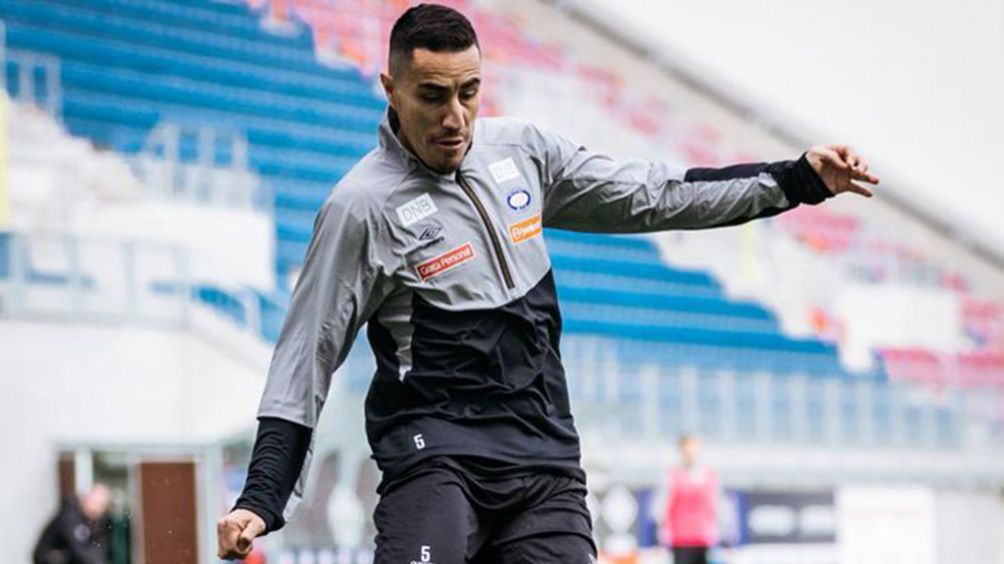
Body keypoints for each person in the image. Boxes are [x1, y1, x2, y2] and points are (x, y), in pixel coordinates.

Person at [217, 4, 880, 562]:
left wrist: (796, 180)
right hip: (437, 458)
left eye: (468, 92)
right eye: (432, 95)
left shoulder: (524, 152)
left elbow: (656, 193)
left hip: (545, 463)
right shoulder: (359, 207)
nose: (456, 116)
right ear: (390, 89)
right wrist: (262, 498)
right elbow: (306, 356)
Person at [659, 435, 719, 564]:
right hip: (681, 539)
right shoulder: (672, 476)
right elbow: (663, 506)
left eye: (694, 451)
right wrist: (664, 533)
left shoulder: (710, 476)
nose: (690, 455)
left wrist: (720, 533)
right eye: (687, 451)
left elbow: (716, 506)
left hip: (704, 538)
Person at [34, 483, 111, 564]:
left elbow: (98, 548)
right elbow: (77, 548)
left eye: (101, 506)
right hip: (50, 558)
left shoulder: (97, 522)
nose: (96, 509)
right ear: (86, 499)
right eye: (95, 503)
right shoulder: (70, 515)